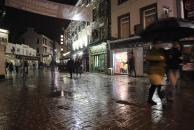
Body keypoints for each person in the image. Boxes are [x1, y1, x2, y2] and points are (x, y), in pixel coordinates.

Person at [145, 41, 166, 105]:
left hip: (159, 71)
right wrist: (160, 58)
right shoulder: (151, 51)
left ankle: (149, 100)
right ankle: (163, 101)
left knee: (154, 86)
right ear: (154, 44)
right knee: (158, 86)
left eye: (160, 43)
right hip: (153, 71)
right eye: (158, 43)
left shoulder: (161, 51)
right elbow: (148, 58)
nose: (159, 44)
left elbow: (164, 59)